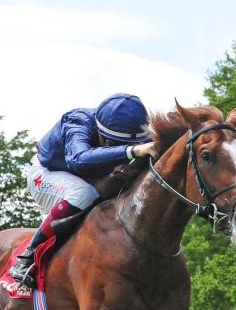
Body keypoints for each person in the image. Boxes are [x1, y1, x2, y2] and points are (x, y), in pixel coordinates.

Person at [9, 93, 158, 288]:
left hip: (91, 179)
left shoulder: (137, 134)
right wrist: (132, 151)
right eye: (115, 143)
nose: (123, 148)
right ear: (101, 133)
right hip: (47, 173)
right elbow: (78, 159)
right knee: (84, 193)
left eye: (130, 144)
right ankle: (28, 257)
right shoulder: (77, 121)